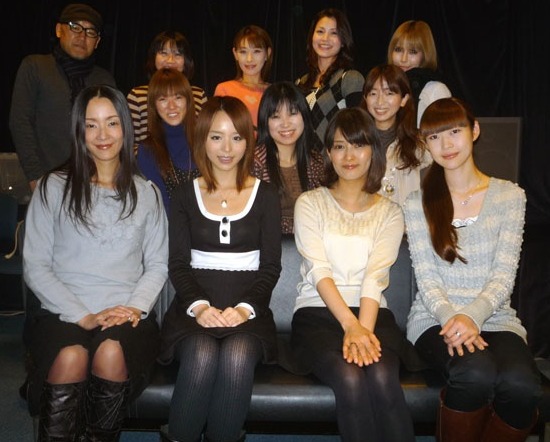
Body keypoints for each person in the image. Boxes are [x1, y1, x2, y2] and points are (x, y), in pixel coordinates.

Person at [22, 84, 168, 440]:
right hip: (62, 311)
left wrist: (132, 308)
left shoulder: (146, 193)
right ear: (79, 131)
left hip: (126, 315)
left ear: (126, 128)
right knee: (71, 356)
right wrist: (84, 315)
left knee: (110, 351)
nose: (103, 135)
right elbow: (35, 265)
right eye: (91, 125)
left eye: (112, 123)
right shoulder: (53, 187)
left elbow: (157, 265)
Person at [404, 97, 541, 441]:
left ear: (474, 130)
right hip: (436, 318)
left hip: (495, 316)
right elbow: (427, 279)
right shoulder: (417, 203)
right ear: (425, 143)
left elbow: (504, 275)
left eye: (455, 131)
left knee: (522, 386)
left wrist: (473, 316)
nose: (446, 144)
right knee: (475, 374)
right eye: (434, 137)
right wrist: (454, 318)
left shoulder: (510, 196)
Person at [158, 96, 282, 442]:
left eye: (236, 137)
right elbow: (178, 264)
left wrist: (244, 309)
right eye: (216, 137)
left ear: (248, 141)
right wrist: (200, 307)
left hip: (248, 311)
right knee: (201, 354)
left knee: (237, 356)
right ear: (202, 139)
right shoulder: (184, 194)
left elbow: (271, 267)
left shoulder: (266, 195)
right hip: (192, 308)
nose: (227, 148)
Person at [290, 107, 415, 442]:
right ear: (328, 154)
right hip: (317, 313)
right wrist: (350, 326)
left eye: (358, 145)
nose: (349, 156)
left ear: (373, 151)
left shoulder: (390, 212)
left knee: (383, 375)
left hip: (372, 314)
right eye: (340, 146)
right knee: (350, 378)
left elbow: (376, 275)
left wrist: (363, 330)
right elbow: (318, 269)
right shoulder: (310, 203)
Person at [9, 3, 116, 191]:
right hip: (46, 179)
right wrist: (36, 177)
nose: (82, 36)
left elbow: (113, 131)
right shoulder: (36, 67)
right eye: (75, 27)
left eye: (90, 32)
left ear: (97, 41)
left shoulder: (104, 79)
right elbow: (20, 122)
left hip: (93, 183)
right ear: (59, 30)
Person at [254, 81, 325, 234]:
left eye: (292, 113)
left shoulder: (315, 160)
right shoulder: (254, 162)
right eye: (276, 116)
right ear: (265, 121)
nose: (285, 124)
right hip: (266, 243)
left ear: (304, 115)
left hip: (309, 242)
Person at [295, 8, 365, 151]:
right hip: (303, 161)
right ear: (312, 36)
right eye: (320, 31)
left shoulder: (350, 79)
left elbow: (360, 129)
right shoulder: (300, 82)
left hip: (336, 161)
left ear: (343, 40)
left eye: (334, 33)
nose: (325, 38)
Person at [362, 64, 430, 205]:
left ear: (404, 99)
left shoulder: (421, 146)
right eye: (373, 94)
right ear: (365, 98)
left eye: (389, 93)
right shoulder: (355, 144)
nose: (380, 101)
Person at [127, 30, 207, 144]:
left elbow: (204, 139)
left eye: (177, 54)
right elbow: (129, 144)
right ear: (154, 57)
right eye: (163, 53)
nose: (170, 60)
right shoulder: (137, 96)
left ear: (186, 61)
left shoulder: (198, 95)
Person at [137, 68, 198, 214]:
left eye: (178, 97)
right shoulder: (147, 150)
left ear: (188, 100)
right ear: (154, 105)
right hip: (170, 225)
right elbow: (160, 206)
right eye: (163, 99)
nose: (172, 106)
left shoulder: (205, 141)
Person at [387, 20, 452, 127]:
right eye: (398, 50)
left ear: (425, 54)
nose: (403, 59)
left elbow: (445, 133)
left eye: (412, 52)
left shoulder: (435, 90)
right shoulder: (384, 85)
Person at [214, 25, 273, 129]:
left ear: (267, 53)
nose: (249, 59)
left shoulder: (274, 92)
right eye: (243, 52)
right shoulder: (224, 90)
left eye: (256, 51)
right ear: (235, 54)